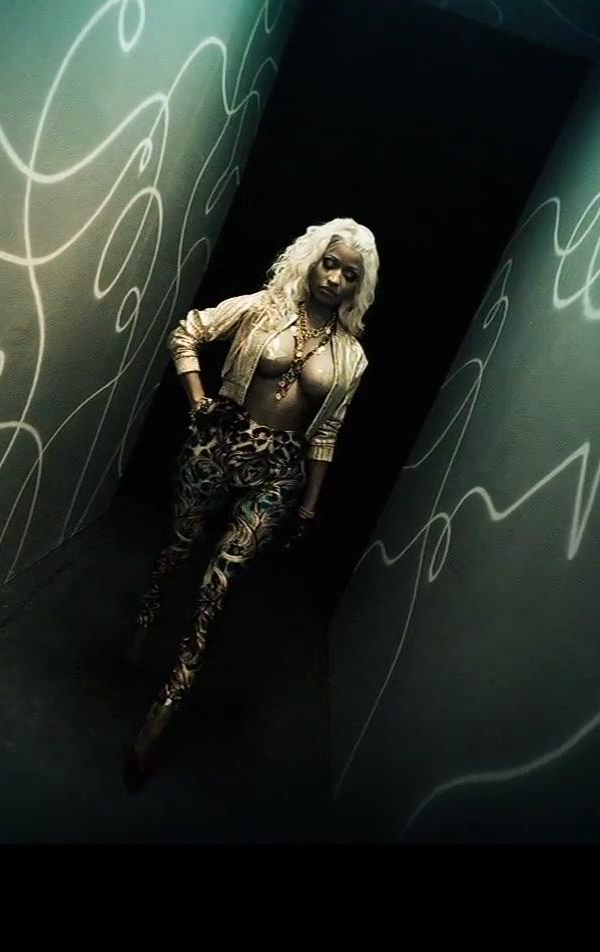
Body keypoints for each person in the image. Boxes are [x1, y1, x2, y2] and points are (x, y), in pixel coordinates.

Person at [123, 217, 379, 791]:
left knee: (218, 584)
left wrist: (309, 505)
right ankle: (145, 617)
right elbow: (187, 333)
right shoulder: (261, 308)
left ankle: (167, 703)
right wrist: (199, 403)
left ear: (358, 286)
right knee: (179, 548)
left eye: (349, 274)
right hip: (216, 448)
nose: (335, 279)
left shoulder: (352, 357)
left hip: (278, 473)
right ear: (311, 262)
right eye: (329, 264)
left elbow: (326, 432)